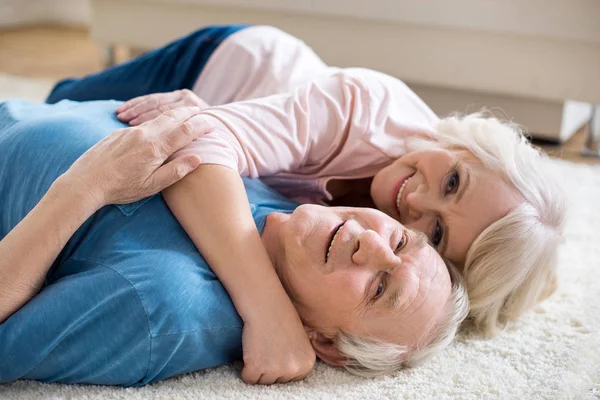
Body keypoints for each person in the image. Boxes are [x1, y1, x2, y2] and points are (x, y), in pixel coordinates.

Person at [46, 24, 566, 379]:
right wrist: (269, 310)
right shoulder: (366, 105)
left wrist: (219, 132)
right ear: (459, 145)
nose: (418, 200)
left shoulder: (381, 251)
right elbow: (191, 142)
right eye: (452, 181)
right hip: (218, 64)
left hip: (232, 125)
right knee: (63, 106)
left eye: (436, 234)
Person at [0, 99, 468, 386]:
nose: (374, 244)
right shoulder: (291, 197)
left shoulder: (162, 307)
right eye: (403, 241)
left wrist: (84, 187)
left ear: (327, 345)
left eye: (380, 288)